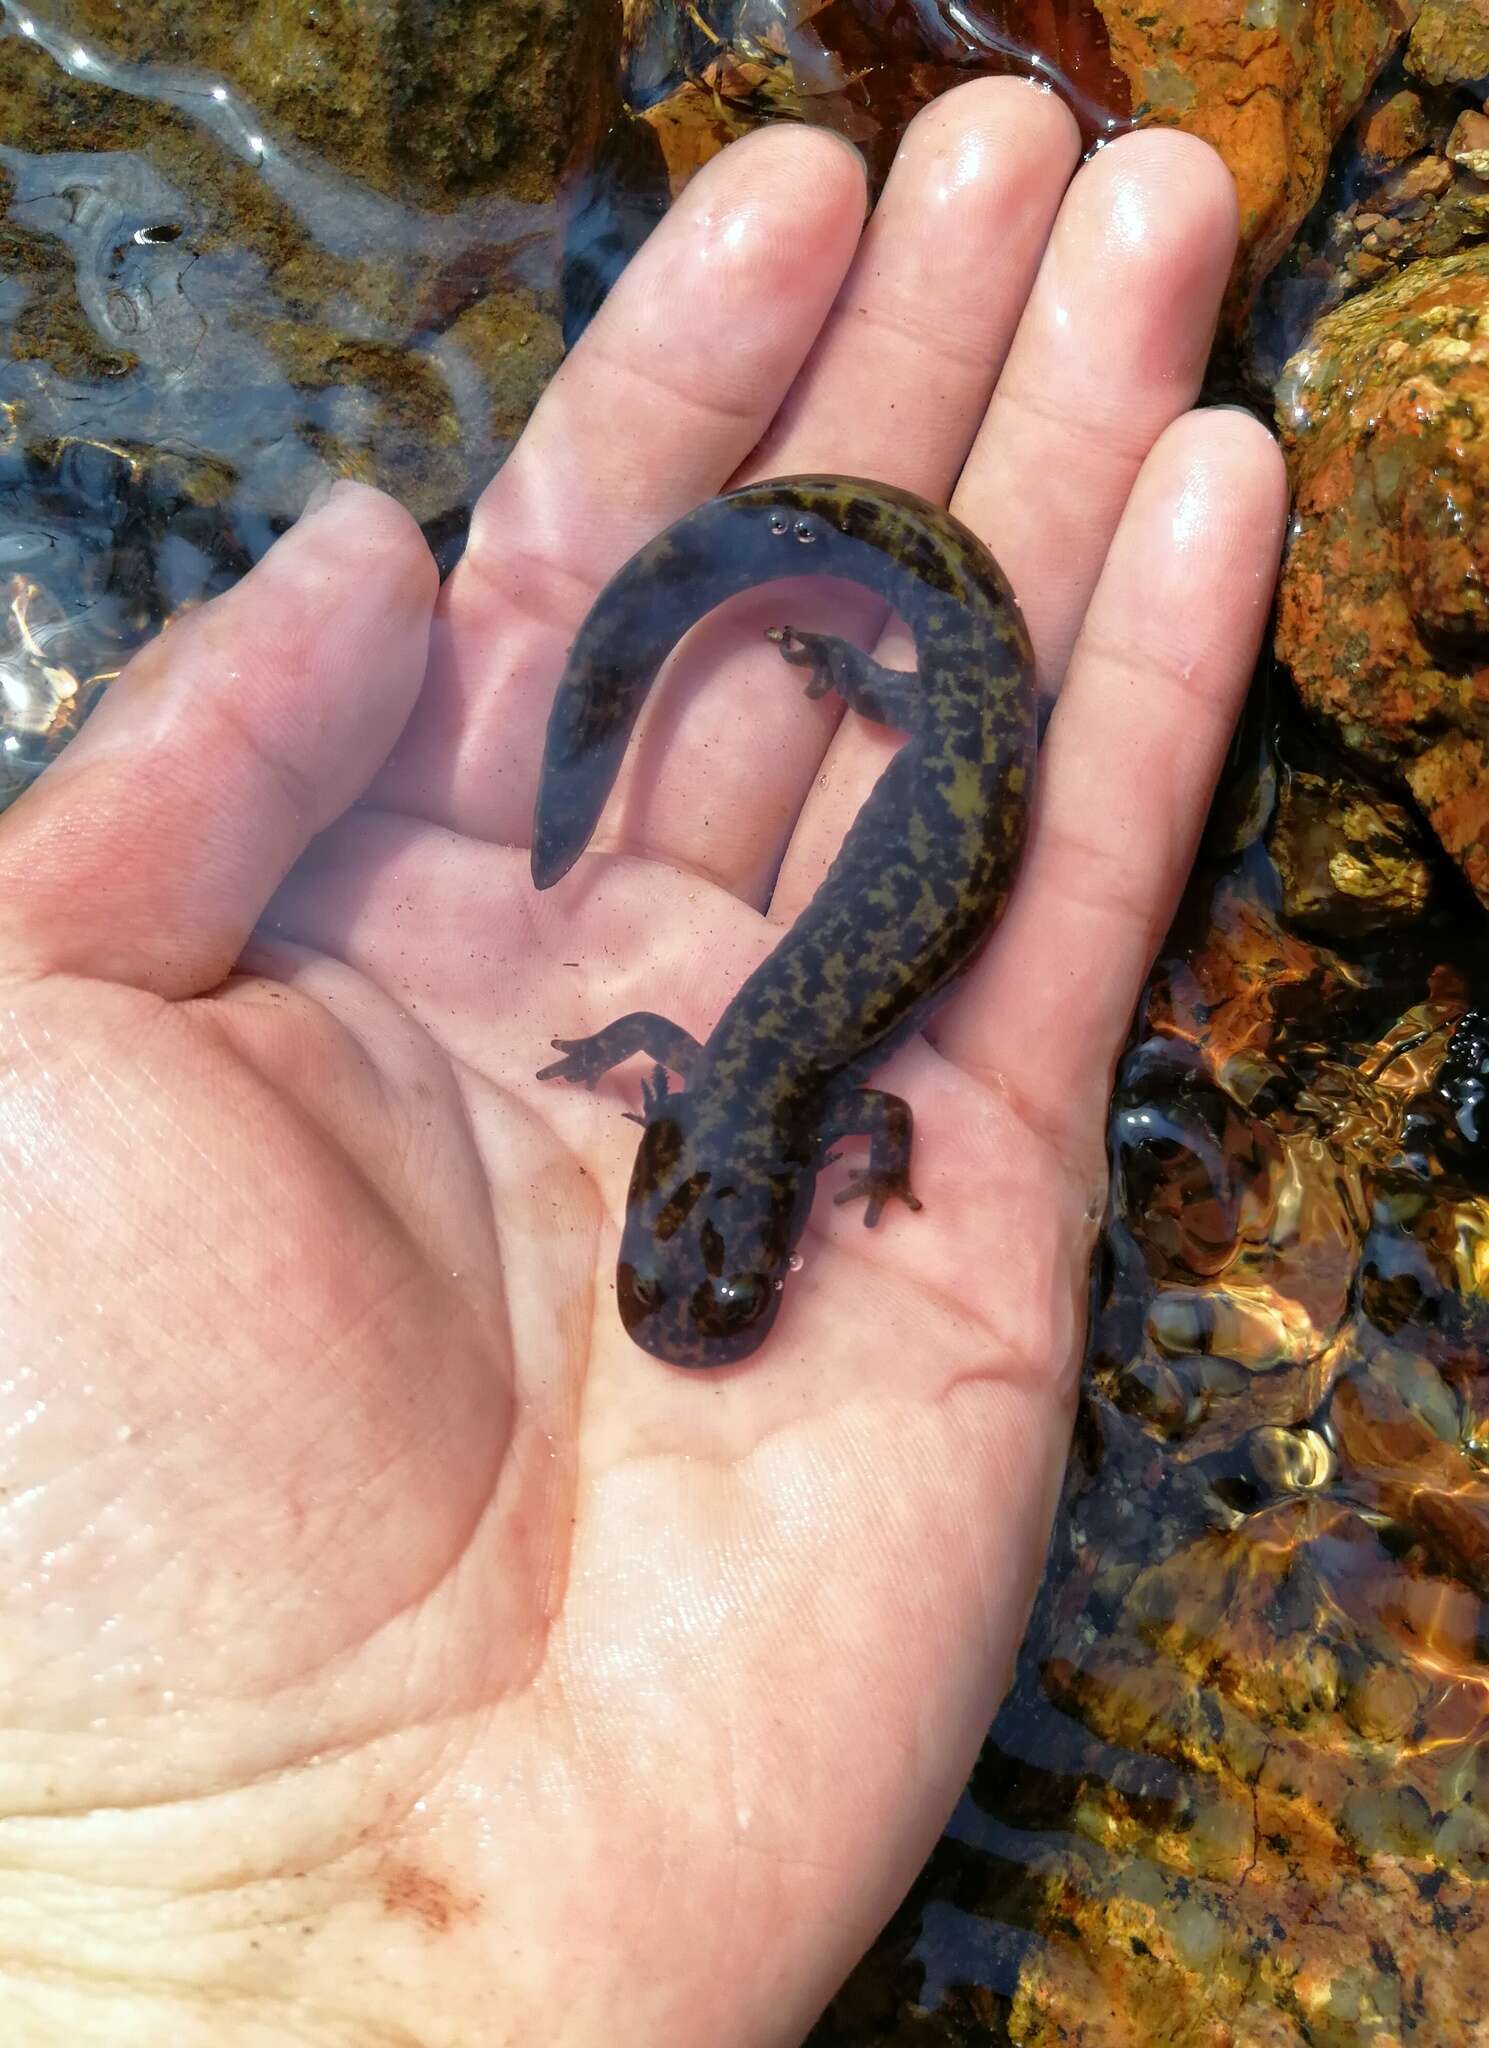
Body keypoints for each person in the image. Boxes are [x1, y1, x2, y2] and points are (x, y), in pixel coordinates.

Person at [0, 79, 1284, 2045]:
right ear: (710, 1169)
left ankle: (860, 628)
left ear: (685, 1157)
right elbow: (777, 1079)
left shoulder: (757, 1076)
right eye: (728, 1269)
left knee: (951, 639)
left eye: (697, 1270)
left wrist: (791, 1113)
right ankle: (848, 626)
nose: (711, 1292)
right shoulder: (752, 1078)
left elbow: (787, 1077)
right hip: (946, 716)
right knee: (940, 645)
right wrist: (801, 1125)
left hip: (950, 706)